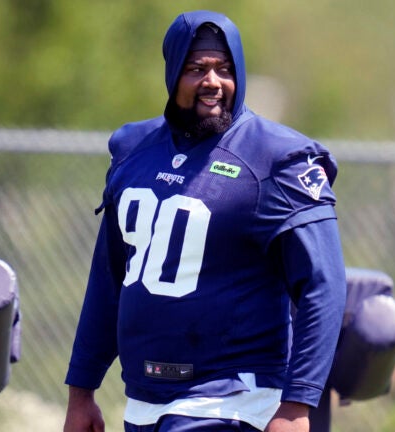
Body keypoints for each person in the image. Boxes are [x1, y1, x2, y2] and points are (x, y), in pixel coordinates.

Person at [64, 10, 346, 432]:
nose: (213, 81)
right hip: (145, 402)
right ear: (173, 72)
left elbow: (323, 283)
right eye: (197, 69)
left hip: (231, 403)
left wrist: (297, 405)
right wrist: (81, 392)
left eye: (225, 69)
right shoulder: (133, 149)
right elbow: (110, 279)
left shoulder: (277, 158)